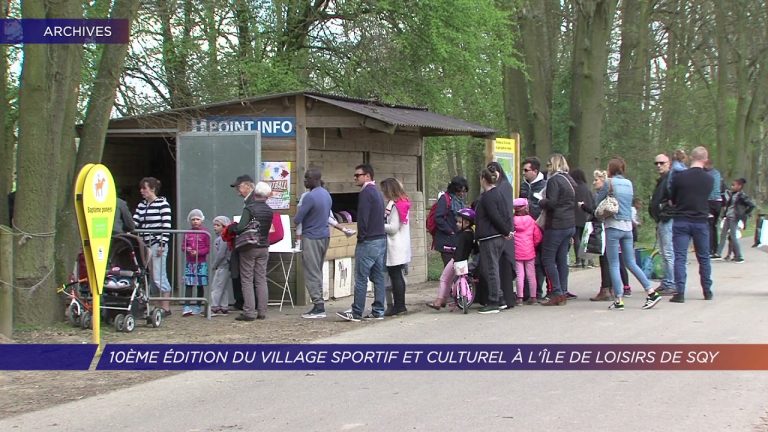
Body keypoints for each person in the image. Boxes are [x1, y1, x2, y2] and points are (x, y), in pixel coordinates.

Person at [596, 158, 660, 311]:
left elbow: (598, 201)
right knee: (631, 262)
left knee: (614, 263)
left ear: (610, 169)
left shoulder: (608, 183)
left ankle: (618, 299)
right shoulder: (628, 183)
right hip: (628, 227)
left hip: (613, 226)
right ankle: (651, 292)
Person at [337, 164, 387, 322]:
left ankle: (356, 311)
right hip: (381, 239)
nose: (355, 178)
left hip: (369, 241)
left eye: (357, 175)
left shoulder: (365, 193)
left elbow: (363, 218)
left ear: (367, 176)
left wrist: (361, 237)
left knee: (361, 278)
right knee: (378, 277)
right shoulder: (378, 193)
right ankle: (378, 310)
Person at [669, 146, 714, 303]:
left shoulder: (679, 177)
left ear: (691, 158)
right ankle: (707, 290)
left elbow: (672, 198)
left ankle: (680, 292)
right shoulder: (709, 179)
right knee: (704, 257)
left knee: (680, 257)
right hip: (701, 221)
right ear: (705, 159)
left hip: (681, 219)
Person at [230, 176, 273, 321]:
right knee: (261, 279)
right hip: (264, 246)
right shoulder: (269, 210)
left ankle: (249, 311)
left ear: (255, 192)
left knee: (247, 279)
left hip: (250, 246)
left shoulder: (250, 208)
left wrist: (233, 227)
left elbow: (241, 227)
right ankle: (262, 311)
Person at [582, 170, 630, 302]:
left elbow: (597, 211)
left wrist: (585, 207)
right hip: (610, 227)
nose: (594, 182)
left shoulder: (604, 194)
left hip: (605, 227)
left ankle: (607, 289)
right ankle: (613, 288)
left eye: (597, 180)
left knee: (607, 260)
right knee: (610, 259)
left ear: (604, 181)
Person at [294, 169, 333, 319]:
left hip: (311, 236)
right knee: (318, 269)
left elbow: (298, 218)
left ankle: (318, 306)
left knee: (311, 271)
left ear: (315, 179)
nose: (304, 181)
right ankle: (319, 303)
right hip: (324, 235)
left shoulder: (310, 197)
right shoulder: (326, 194)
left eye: (307, 178)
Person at [538, 154, 576, 306]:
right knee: (562, 259)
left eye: (548, 165)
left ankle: (557, 292)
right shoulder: (569, 180)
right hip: (569, 223)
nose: (547, 168)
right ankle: (564, 290)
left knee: (547, 258)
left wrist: (541, 202)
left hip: (556, 224)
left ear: (553, 165)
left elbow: (552, 203)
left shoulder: (554, 180)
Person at [475, 165, 513, 314]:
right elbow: (505, 213)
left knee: (490, 269)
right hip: (498, 237)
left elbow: (494, 216)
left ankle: (493, 301)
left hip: (490, 236)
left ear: (483, 179)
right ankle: (501, 298)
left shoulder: (487, 197)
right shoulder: (499, 194)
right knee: (493, 267)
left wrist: (505, 231)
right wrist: (507, 231)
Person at [133, 177, 172, 316]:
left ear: (153, 189)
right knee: (147, 275)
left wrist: (162, 243)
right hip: (144, 245)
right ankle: (153, 306)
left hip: (156, 244)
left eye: (145, 188)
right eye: (141, 188)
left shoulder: (163, 204)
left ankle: (166, 307)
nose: (142, 191)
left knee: (158, 275)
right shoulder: (142, 205)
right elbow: (135, 222)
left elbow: (166, 225)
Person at [426, 208, 476, 310]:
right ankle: (446, 299)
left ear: (466, 223)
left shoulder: (462, 236)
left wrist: (452, 250)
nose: (457, 224)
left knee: (444, 279)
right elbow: (473, 249)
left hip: (456, 261)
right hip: (464, 262)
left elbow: (458, 249)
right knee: (451, 279)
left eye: (459, 222)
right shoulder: (471, 234)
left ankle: (440, 300)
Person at [486, 161, 516, 308]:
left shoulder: (502, 187)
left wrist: (506, 230)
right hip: (503, 230)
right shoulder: (503, 186)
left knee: (502, 266)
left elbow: (503, 211)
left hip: (502, 232)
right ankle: (504, 297)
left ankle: (503, 298)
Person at [381, 178, 412, 316]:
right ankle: (399, 305)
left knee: (395, 276)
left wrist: (378, 225)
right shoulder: (402, 202)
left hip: (395, 245)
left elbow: (393, 228)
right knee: (397, 275)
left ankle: (399, 306)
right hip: (402, 244)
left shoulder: (395, 206)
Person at [520, 156, 547, 301]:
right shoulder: (523, 185)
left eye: (526, 170)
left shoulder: (544, 185)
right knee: (524, 260)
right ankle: (524, 291)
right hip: (523, 229)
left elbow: (543, 207)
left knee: (538, 260)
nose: (524, 173)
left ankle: (536, 291)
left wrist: (530, 206)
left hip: (538, 227)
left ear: (535, 171)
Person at [648, 153, 675, 295]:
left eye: (662, 162)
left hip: (667, 220)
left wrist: (665, 213)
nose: (659, 165)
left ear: (668, 163)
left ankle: (671, 283)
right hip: (660, 220)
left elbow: (674, 200)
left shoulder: (670, 179)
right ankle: (666, 282)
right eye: (656, 163)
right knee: (664, 252)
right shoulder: (662, 180)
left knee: (668, 252)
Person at [713, 178, 756, 263]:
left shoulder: (742, 196)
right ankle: (718, 253)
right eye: (732, 185)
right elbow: (729, 205)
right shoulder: (732, 194)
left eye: (734, 185)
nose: (732, 187)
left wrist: (744, 213)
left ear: (739, 186)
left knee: (733, 236)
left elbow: (751, 205)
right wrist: (724, 214)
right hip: (728, 217)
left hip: (734, 218)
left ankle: (739, 256)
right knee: (723, 235)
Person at [433, 176, 469, 266]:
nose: (462, 193)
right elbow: (438, 218)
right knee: (450, 271)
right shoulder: (444, 199)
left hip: (457, 241)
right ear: (454, 189)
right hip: (446, 242)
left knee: (458, 270)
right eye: (460, 191)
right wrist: (450, 231)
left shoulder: (460, 202)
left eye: (464, 191)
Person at [513, 198, 542, 305]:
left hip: (517, 252)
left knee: (520, 275)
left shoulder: (512, 221)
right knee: (531, 275)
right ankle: (533, 297)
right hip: (529, 251)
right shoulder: (531, 220)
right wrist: (532, 245)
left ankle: (520, 298)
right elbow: (537, 236)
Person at [182, 209, 210, 316]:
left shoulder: (205, 233)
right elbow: (183, 246)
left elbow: (208, 248)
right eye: (193, 219)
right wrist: (187, 250)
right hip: (190, 263)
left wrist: (198, 252)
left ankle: (198, 306)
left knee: (200, 284)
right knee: (188, 284)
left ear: (201, 220)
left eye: (197, 219)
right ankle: (187, 306)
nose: (195, 221)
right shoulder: (187, 233)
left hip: (201, 263)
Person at [570, 168, 593, 268]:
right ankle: (586, 260)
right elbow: (591, 202)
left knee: (577, 238)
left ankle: (578, 260)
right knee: (585, 239)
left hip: (575, 216)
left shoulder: (573, 188)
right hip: (586, 216)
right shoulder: (587, 188)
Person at [210, 215, 231, 315]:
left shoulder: (223, 238)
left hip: (222, 265)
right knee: (223, 287)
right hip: (224, 265)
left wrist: (215, 265)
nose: (215, 227)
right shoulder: (222, 238)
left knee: (217, 287)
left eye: (217, 225)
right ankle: (224, 306)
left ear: (223, 226)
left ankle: (214, 306)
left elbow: (221, 254)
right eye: (214, 225)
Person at [705, 160, 724, 255]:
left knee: (709, 225)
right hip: (718, 201)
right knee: (714, 226)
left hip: (710, 201)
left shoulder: (706, 174)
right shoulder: (717, 173)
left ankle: (710, 249)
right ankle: (715, 248)